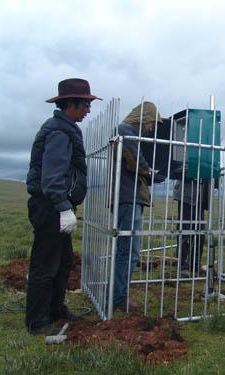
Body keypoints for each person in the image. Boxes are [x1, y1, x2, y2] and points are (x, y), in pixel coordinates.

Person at [25, 78, 101, 335]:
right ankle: (37, 322)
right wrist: (62, 207)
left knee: (63, 261)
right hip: (50, 207)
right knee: (45, 264)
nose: (89, 110)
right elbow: (52, 175)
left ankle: (55, 310)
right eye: (86, 104)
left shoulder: (64, 127)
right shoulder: (59, 131)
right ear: (72, 104)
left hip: (55, 205)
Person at [113, 101, 163, 310]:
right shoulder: (126, 132)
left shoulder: (125, 132)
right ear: (142, 120)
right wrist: (152, 172)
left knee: (124, 249)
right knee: (129, 251)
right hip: (129, 197)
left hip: (127, 196)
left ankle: (116, 294)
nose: (152, 128)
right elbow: (136, 162)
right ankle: (119, 299)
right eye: (151, 123)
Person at [173, 179, 209, 277]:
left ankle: (195, 265)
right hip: (186, 195)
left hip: (200, 197)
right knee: (184, 232)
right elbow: (178, 168)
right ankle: (182, 267)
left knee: (200, 233)